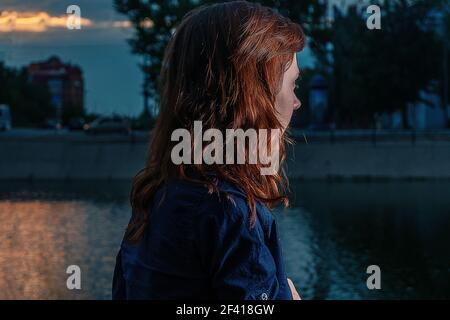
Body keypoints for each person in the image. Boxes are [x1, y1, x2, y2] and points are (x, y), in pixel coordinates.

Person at [112, 0, 304, 300]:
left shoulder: (156, 197)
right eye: (293, 86)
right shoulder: (231, 213)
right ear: (256, 98)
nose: (296, 103)